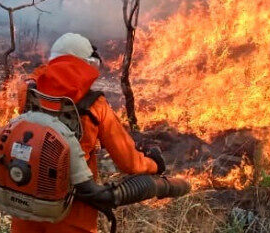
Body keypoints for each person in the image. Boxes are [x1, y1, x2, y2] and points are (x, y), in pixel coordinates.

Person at [11, 33, 166, 233]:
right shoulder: (95, 105)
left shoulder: (29, 94)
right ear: (86, 66)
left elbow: (34, 77)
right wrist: (154, 163)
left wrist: (53, 65)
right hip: (73, 208)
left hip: (25, 203)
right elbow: (128, 162)